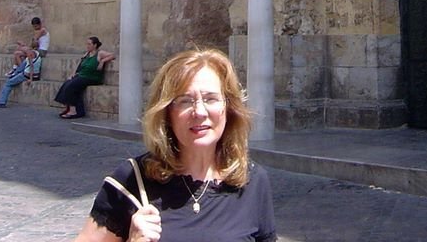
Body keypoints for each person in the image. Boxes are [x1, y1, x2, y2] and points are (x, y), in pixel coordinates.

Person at [71, 48, 276, 242]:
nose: (200, 112)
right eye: (185, 101)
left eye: (211, 99)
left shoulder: (252, 181)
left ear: (228, 108)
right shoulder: (132, 180)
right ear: (167, 113)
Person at [55, 36, 115, 119]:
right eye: (87, 44)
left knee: (72, 86)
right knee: (67, 83)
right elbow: (79, 66)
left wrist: (102, 61)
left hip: (92, 78)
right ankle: (69, 107)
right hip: (82, 75)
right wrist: (74, 74)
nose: (87, 46)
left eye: (89, 44)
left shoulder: (100, 53)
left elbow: (112, 55)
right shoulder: (86, 54)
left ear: (95, 45)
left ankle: (73, 111)